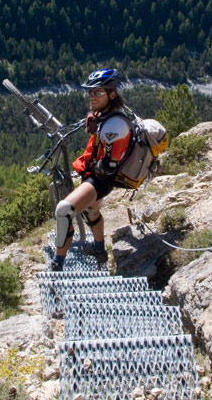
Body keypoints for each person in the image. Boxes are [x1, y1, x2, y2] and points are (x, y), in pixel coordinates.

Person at [50, 68, 132, 271]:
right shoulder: (106, 115)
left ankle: (57, 264)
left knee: (64, 211)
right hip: (95, 176)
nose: (92, 96)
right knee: (91, 212)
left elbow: (108, 166)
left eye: (97, 92)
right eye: (90, 92)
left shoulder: (114, 125)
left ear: (111, 94)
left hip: (100, 180)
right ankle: (99, 252)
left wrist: (99, 137)